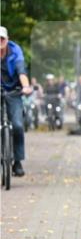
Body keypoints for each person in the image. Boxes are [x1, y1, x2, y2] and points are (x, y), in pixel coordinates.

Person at [0, 26, 33, 176]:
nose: (0, 41)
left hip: (14, 91)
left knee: (18, 126)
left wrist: (25, 86)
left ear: (7, 40)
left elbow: (21, 70)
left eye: (2, 39)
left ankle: (17, 162)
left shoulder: (15, 50)